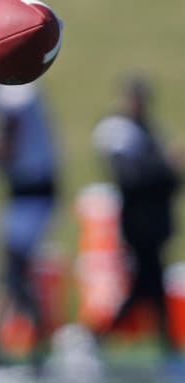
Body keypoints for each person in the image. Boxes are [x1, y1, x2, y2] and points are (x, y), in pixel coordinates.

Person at [91, 72, 183, 376]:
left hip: (155, 222)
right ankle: (99, 337)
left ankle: (161, 344)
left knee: (149, 285)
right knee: (147, 284)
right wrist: (167, 167)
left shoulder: (147, 129)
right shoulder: (118, 131)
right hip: (139, 222)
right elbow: (129, 177)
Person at [0, 80, 60, 367]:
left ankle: (21, 341)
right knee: (14, 272)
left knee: (13, 271)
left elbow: (4, 150)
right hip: (27, 191)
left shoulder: (12, 97)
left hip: (30, 193)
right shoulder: (16, 92)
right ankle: (14, 341)